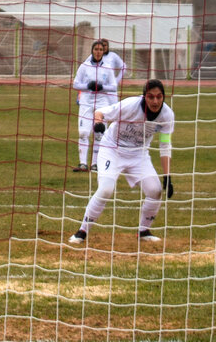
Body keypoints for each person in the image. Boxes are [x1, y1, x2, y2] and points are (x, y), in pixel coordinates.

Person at [68, 79, 175, 244]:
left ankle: (144, 231)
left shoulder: (167, 115)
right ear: (144, 97)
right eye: (151, 97)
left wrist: (167, 175)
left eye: (159, 97)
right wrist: (98, 124)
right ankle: (82, 231)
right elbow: (100, 113)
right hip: (112, 149)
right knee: (105, 189)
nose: (155, 101)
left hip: (139, 154)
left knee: (155, 190)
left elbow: (165, 144)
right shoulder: (130, 105)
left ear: (164, 97)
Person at [71, 40, 119, 172]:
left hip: (102, 104)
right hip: (86, 103)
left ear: (103, 52)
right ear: (92, 51)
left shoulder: (108, 68)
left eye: (100, 50)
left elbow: (114, 87)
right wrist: (88, 86)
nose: (98, 52)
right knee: (83, 133)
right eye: (96, 49)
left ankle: (95, 164)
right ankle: (82, 163)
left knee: (99, 133)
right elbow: (75, 84)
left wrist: (102, 87)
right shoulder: (84, 66)